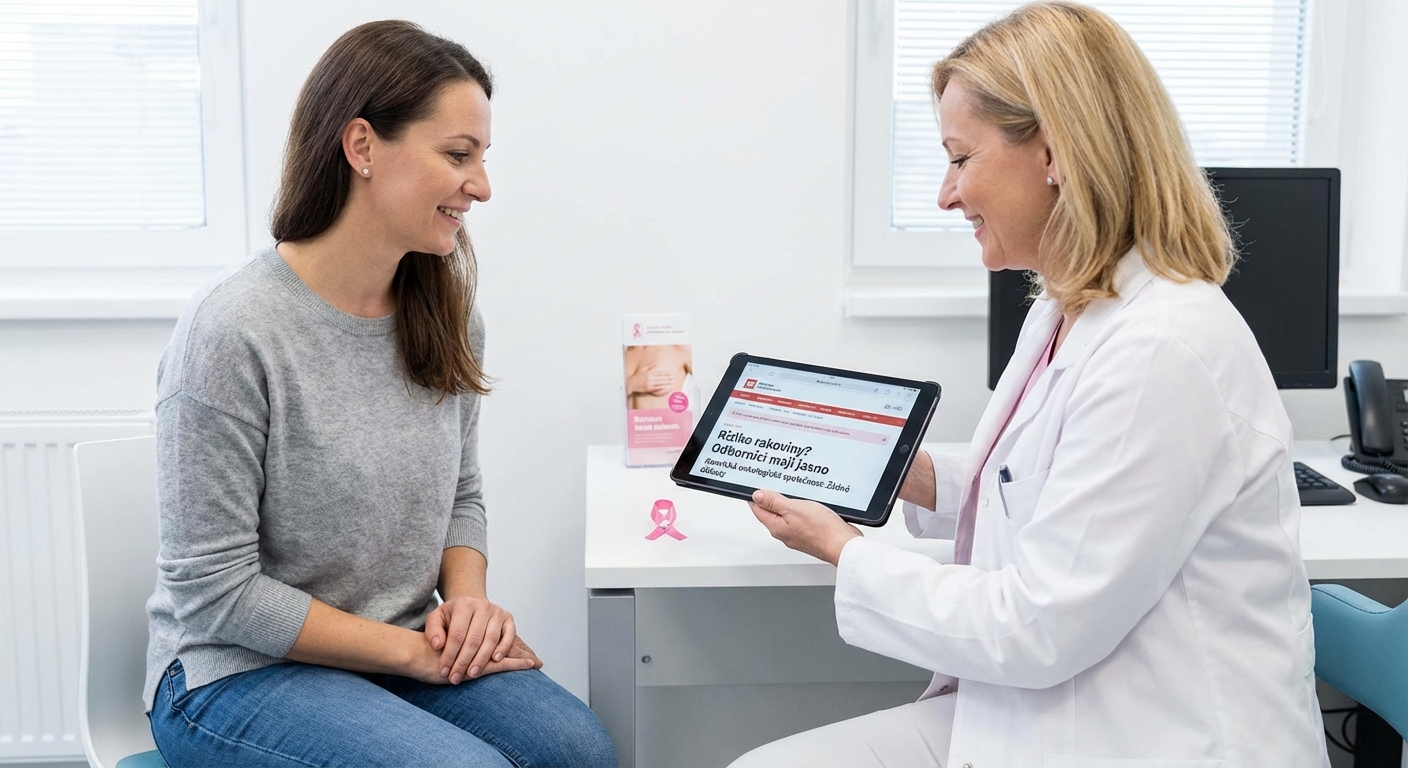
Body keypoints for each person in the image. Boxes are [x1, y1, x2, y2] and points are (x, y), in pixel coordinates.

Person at [733, 3, 1328, 766]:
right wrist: (893, 468)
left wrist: (845, 551)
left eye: (959, 158)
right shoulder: (1068, 307)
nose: (946, 196)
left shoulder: (1161, 348)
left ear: (1052, 152)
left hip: (1149, 735)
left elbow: (1038, 626)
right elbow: (1037, 484)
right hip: (1055, 707)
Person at [143, 20, 615, 767]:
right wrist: (411, 653)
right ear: (362, 147)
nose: (482, 186)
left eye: (483, 158)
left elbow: (461, 495)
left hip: (397, 643)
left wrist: (466, 604)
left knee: (577, 750)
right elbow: (215, 592)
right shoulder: (233, 330)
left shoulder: (445, 312)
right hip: (232, 674)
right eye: (458, 155)